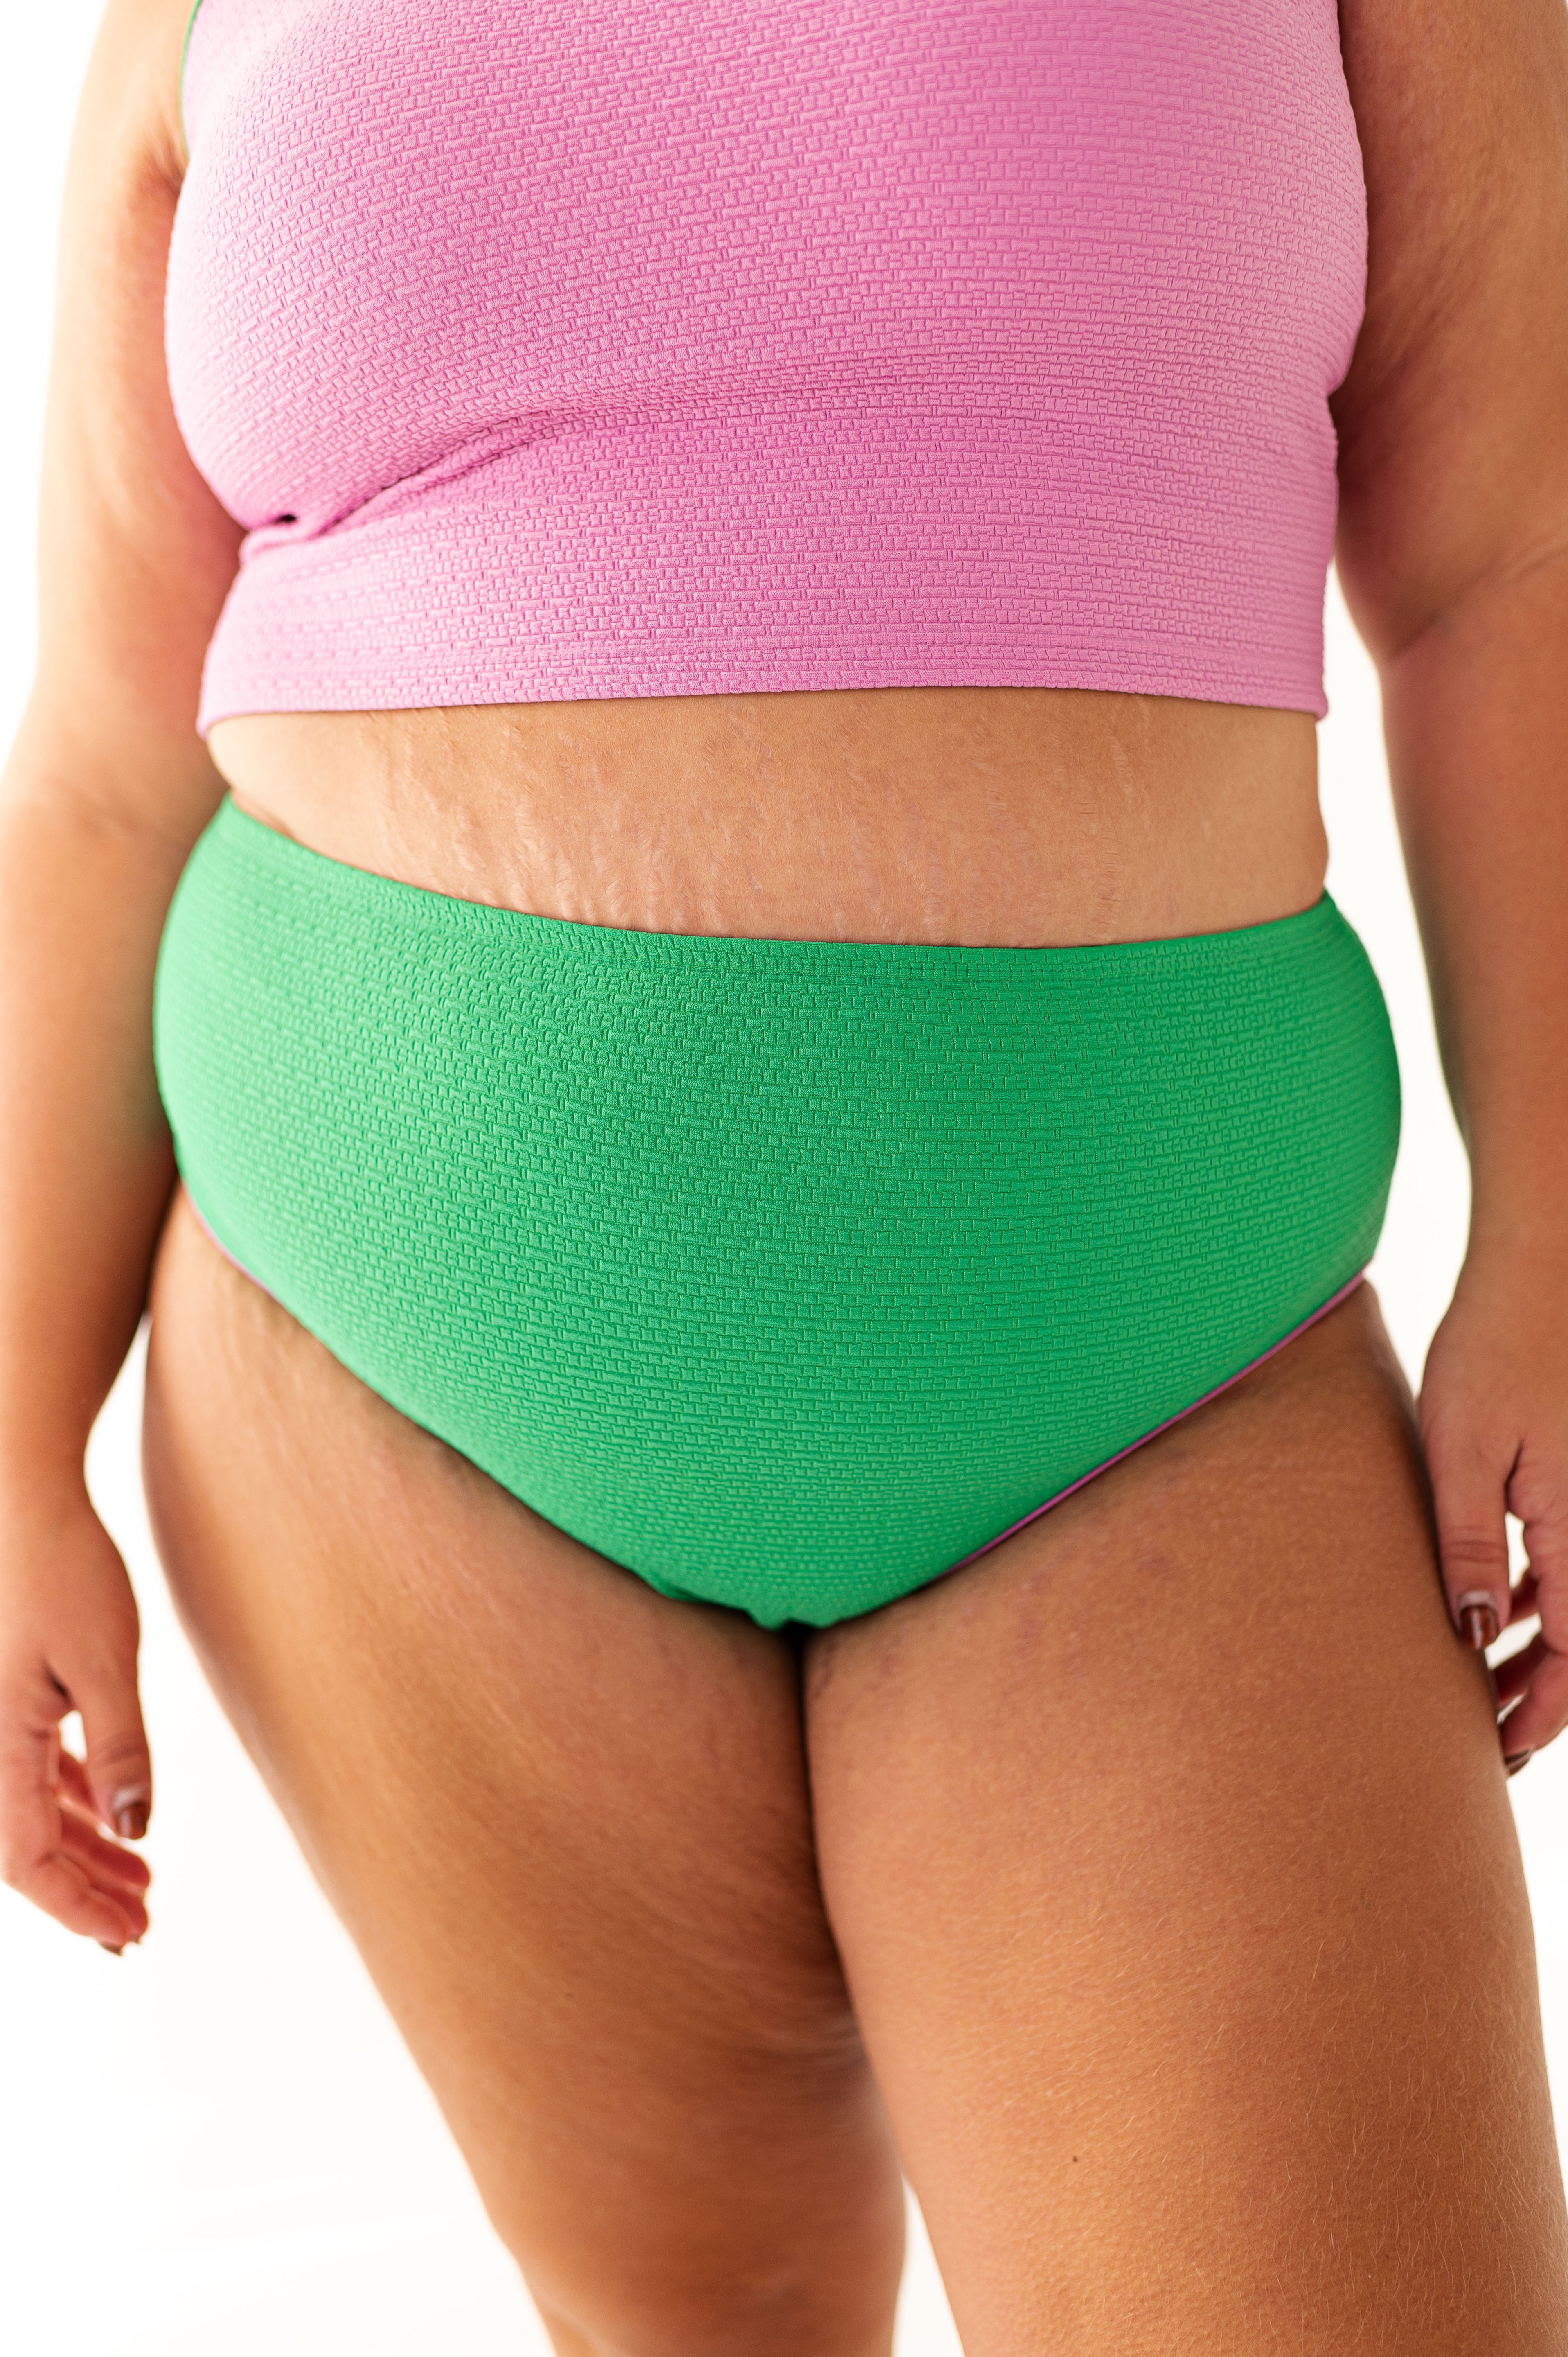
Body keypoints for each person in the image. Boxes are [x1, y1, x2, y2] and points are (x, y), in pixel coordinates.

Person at [3, 0, 1567, 2347]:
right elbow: (100, 765)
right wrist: (9, 1432)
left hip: (1165, 1355)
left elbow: (1507, 577)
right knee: (707, 2312)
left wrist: (1554, 1230)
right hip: (388, 1371)